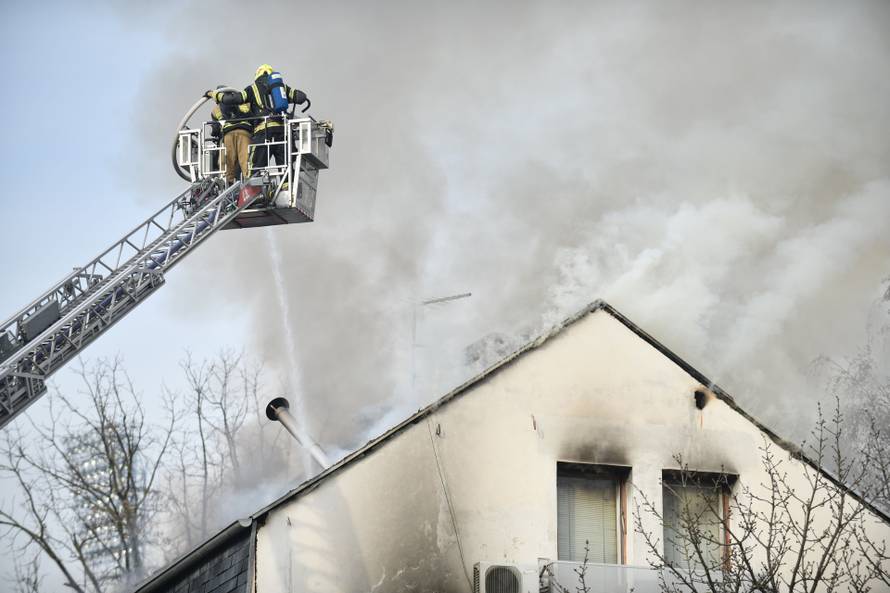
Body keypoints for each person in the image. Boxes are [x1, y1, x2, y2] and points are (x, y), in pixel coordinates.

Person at [219, 64, 308, 177]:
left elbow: (237, 98)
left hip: (264, 132)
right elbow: (301, 97)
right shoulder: (281, 87)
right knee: (286, 168)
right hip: (283, 132)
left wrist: (218, 96)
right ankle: (285, 184)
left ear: (257, 75)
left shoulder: (253, 88)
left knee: (255, 167)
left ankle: (254, 185)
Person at [206, 86, 253, 184]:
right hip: (244, 133)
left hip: (228, 135)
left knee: (227, 161)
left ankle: (228, 183)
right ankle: (249, 182)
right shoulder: (244, 103)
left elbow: (215, 130)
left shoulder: (216, 110)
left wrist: (213, 132)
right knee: (246, 160)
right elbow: (254, 118)